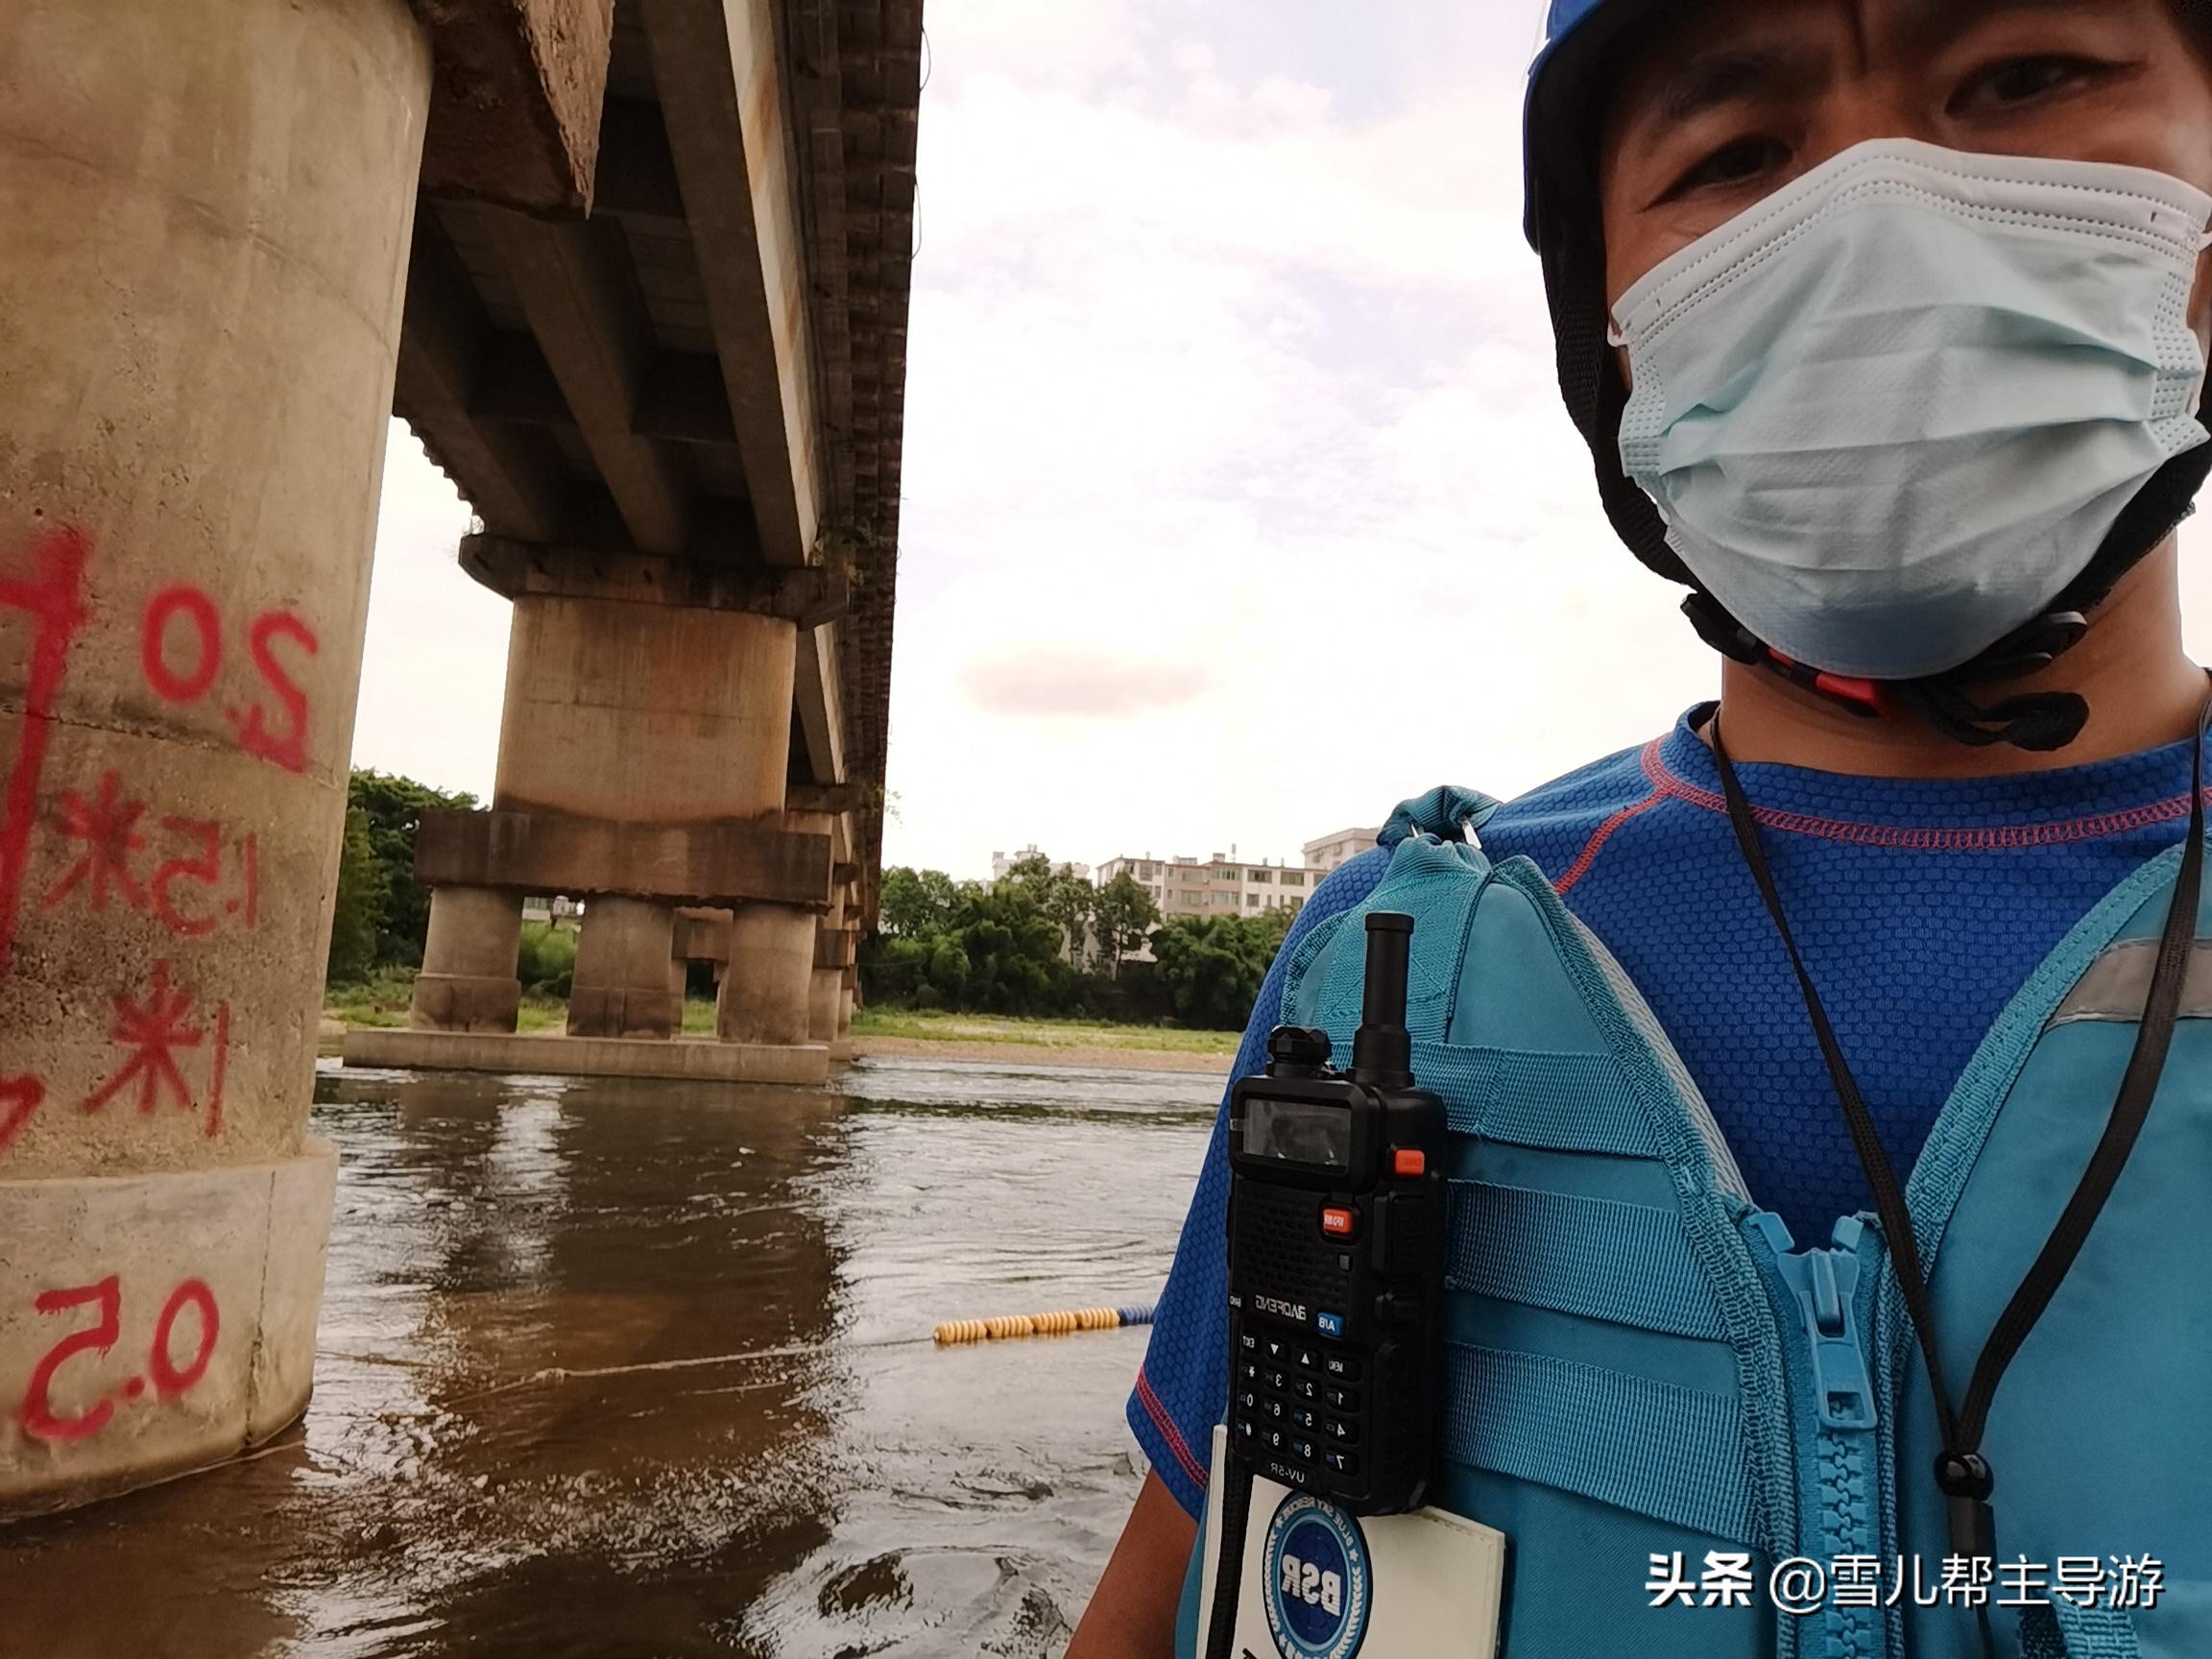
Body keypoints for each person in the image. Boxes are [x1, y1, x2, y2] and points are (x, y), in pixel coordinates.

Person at [1069, 1, 2212, 1655]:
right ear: (1605, 327)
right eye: (1736, 155)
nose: (1877, 207)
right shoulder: (1398, 961)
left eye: (2022, 77)